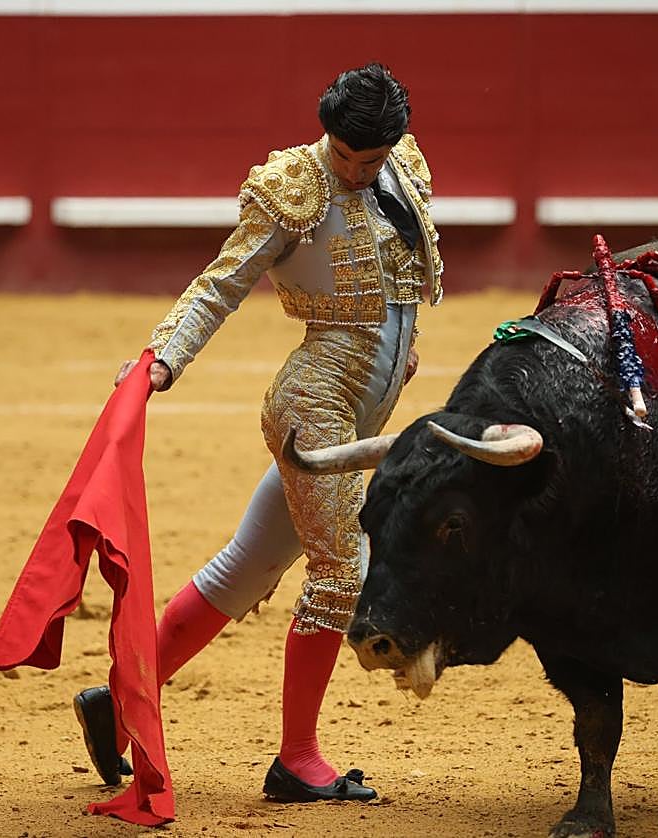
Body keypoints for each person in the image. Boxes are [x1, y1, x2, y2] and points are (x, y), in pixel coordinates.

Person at [73, 62, 443, 803]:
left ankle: (118, 701)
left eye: (368, 159)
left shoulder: (400, 167)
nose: (355, 170)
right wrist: (161, 360)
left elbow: (400, 284)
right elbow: (220, 283)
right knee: (341, 574)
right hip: (315, 409)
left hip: (362, 408)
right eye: (344, 155)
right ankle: (296, 760)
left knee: (244, 569)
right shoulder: (293, 189)